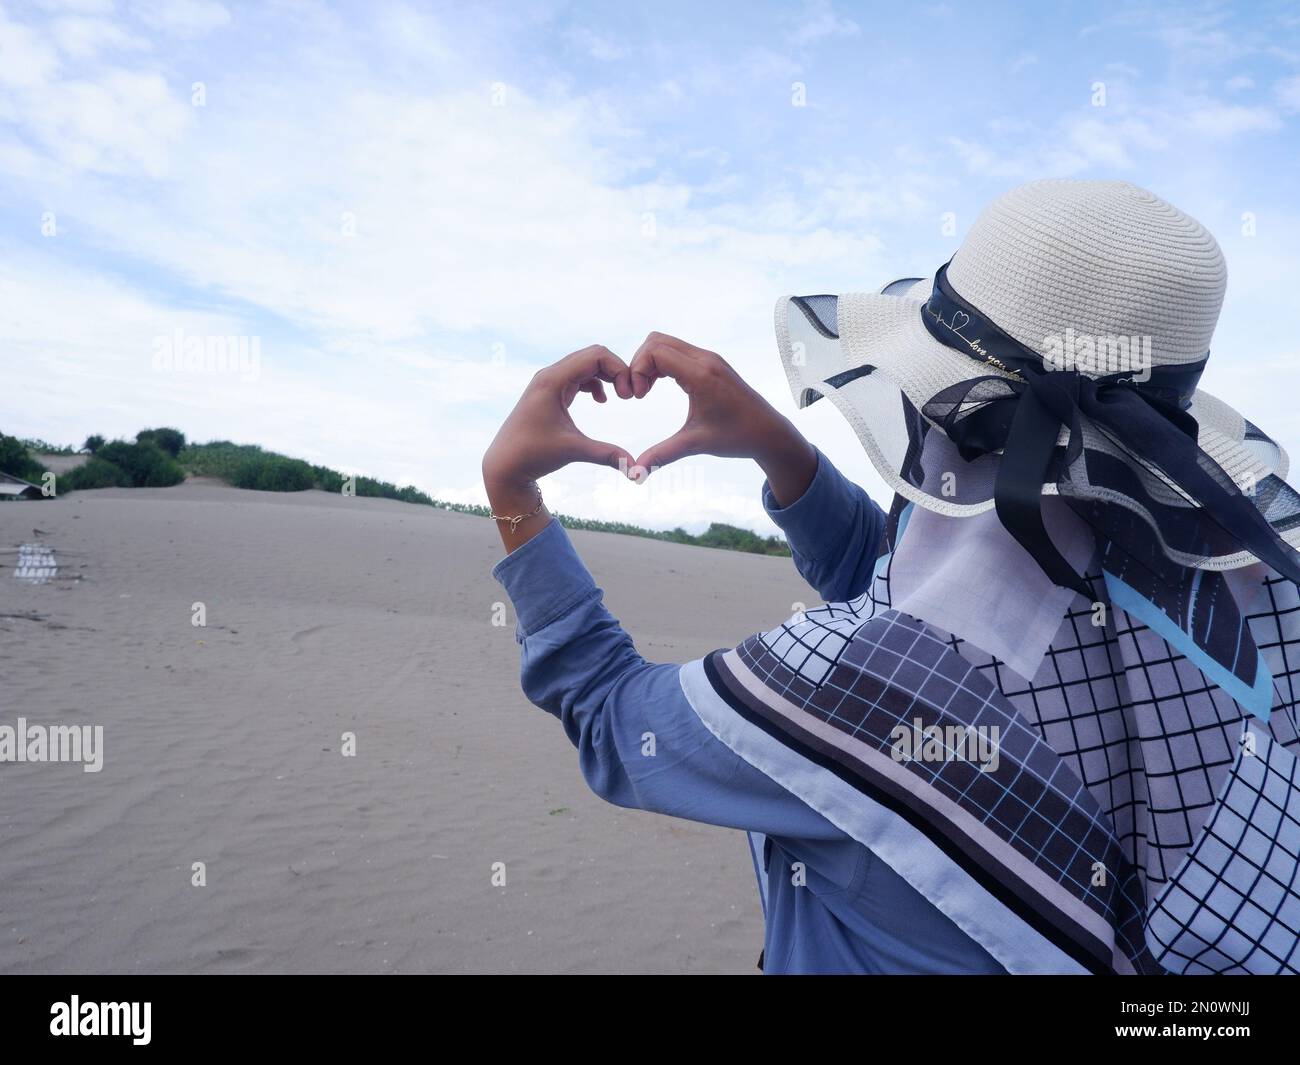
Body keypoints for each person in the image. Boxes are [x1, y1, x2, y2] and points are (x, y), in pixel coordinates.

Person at [483, 180, 1300, 974]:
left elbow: (614, 720)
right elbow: (916, 601)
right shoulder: (1237, 602)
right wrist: (780, 448)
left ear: (946, 409)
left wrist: (512, 494)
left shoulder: (855, 690)